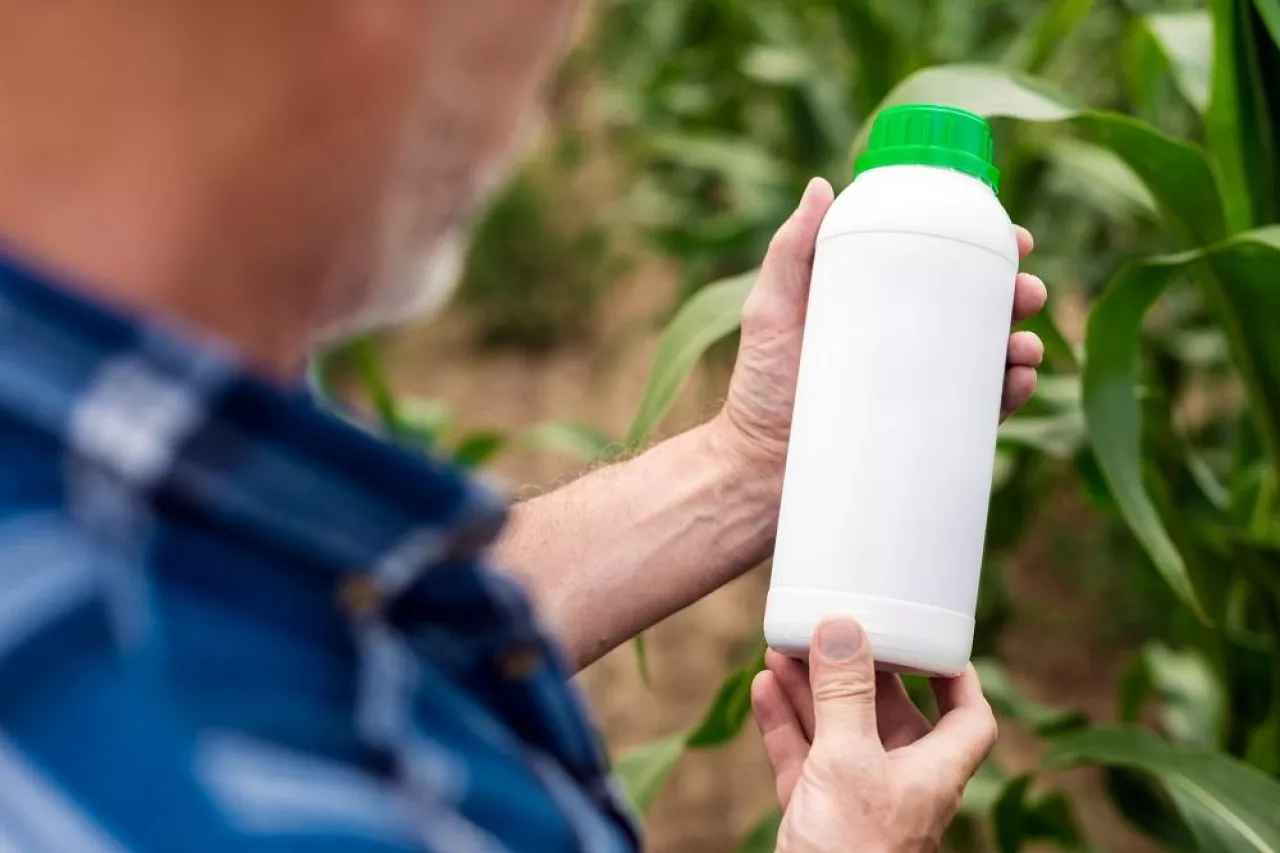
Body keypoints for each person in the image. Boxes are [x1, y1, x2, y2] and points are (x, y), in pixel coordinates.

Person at [0, 2, 1047, 851]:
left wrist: (758, 459)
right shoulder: (265, 809)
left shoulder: (117, 478)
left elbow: (360, 625)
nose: (563, 40)